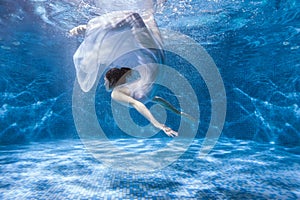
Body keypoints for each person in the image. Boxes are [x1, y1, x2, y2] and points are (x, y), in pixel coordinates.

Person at [70, 11, 190, 137]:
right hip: (155, 58)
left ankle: (90, 30)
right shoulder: (130, 88)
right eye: (105, 80)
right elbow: (155, 100)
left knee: (135, 18)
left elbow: (138, 103)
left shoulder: (117, 93)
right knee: (145, 19)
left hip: (154, 58)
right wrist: (177, 113)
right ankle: (93, 32)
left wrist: (159, 125)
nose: (103, 83)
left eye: (105, 80)